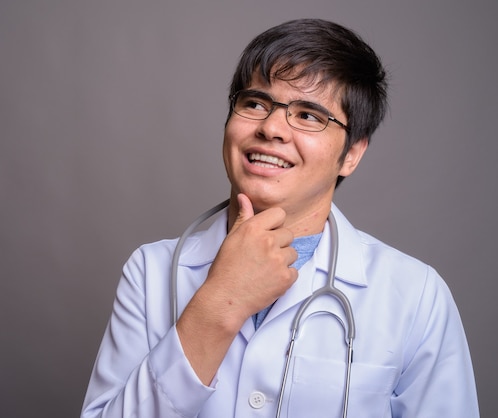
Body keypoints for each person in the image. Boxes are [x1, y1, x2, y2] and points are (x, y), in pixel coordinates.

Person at [81, 18, 479, 417]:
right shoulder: (151, 272)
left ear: (352, 154)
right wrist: (219, 303)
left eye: (309, 115)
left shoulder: (416, 295)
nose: (271, 128)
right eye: (255, 103)